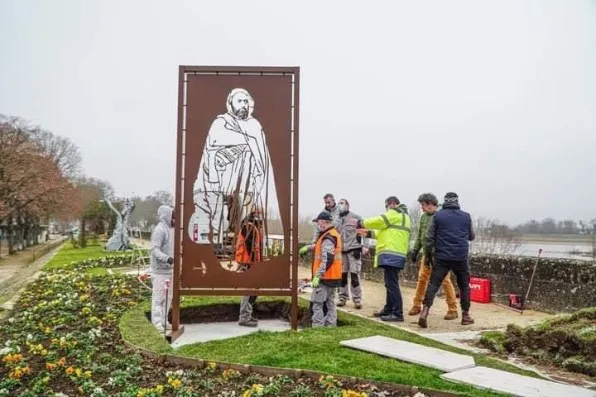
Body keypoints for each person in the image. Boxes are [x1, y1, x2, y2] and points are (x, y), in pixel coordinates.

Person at [188, 88, 280, 250]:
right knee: (217, 218)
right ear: (230, 103)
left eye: (246, 101)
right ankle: (214, 246)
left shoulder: (254, 125)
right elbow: (212, 150)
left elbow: (261, 154)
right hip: (218, 184)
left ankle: (241, 249)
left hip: (243, 186)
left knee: (242, 218)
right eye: (239, 101)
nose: (243, 105)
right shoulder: (220, 123)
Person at [418, 192, 475, 328]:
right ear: (457, 201)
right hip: (460, 257)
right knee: (464, 286)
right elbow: (471, 237)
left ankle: (424, 312)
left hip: (442, 257)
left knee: (433, 284)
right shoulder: (466, 216)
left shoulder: (438, 216)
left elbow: (429, 239)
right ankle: (466, 315)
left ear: (445, 201)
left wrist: (427, 257)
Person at [352, 196, 411, 322]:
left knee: (392, 284)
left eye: (387, 206)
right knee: (389, 283)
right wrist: (368, 233)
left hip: (392, 253)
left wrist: (360, 222)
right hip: (396, 253)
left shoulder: (396, 213)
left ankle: (397, 313)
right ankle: (389, 309)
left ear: (392, 204)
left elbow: (380, 220)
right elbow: (382, 232)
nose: (386, 209)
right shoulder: (402, 217)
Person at [409, 193, 458, 320]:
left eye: (423, 205)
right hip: (427, 253)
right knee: (422, 279)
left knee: (445, 281)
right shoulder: (424, 217)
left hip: (439, 255)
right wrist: (415, 250)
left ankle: (453, 309)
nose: (422, 208)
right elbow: (421, 235)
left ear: (430, 204)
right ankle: (416, 304)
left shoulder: (441, 216)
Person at [303, 211, 343, 327]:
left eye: (318, 222)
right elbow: (322, 247)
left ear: (323, 222)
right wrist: (309, 247)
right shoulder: (333, 234)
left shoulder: (328, 237)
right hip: (334, 277)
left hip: (324, 278)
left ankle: (318, 327)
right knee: (330, 303)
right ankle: (331, 326)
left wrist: (317, 276)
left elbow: (328, 258)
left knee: (318, 303)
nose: (317, 225)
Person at [336, 198, 367, 309]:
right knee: (342, 276)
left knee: (354, 275)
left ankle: (357, 300)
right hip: (342, 251)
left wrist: (365, 246)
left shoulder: (356, 218)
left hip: (354, 250)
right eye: (339, 203)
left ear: (348, 206)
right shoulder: (337, 220)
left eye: (342, 203)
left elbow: (364, 232)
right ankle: (342, 298)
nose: (340, 205)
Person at [235, 209, 264, 327]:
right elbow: (250, 246)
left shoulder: (252, 226)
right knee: (247, 291)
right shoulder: (249, 226)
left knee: (252, 291)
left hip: (250, 263)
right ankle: (244, 317)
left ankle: (247, 314)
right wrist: (254, 265)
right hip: (247, 263)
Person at [150, 205, 175, 332]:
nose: (174, 218)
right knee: (159, 297)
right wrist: (167, 259)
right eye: (173, 215)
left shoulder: (172, 229)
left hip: (170, 270)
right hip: (160, 271)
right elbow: (154, 249)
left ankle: (165, 321)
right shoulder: (159, 230)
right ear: (167, 215)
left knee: (168, 297)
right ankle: (157, 323)